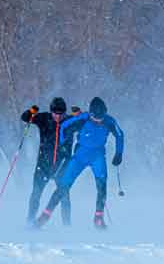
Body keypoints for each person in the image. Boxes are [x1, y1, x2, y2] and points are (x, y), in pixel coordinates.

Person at [35, 97, 124, 230]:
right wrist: (61, 143)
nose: (98, 121)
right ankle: (45, 215)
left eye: (100, 118)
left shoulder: (109, 121)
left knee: (102, 185)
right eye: (95, 118)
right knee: (63, 186)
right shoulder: (83, 118)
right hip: (80, 156)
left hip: (97, 156)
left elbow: (120, 135)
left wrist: (118, 154)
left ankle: (98, 218)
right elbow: (64, 127)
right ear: (91, 114)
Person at [21, 97, 75, 226]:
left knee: (64, 196)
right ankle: (30, 221)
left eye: (61, 114)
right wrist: (31, 112)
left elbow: (86, 122)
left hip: (62, 166)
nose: (57, 116)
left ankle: (67, 225)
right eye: (55, 113)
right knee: (36, 193)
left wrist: (79, 114)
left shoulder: (70, 121)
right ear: (51, 111)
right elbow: (25, 117)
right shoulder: (44, 118)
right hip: (43, 165)